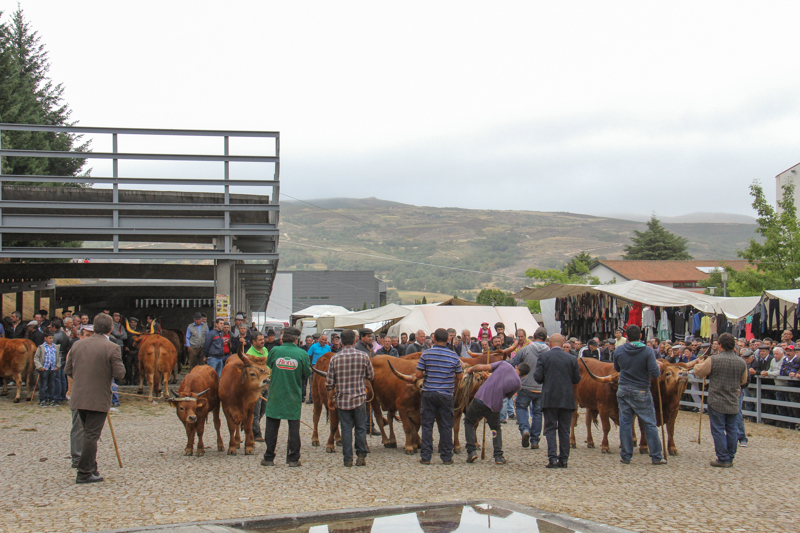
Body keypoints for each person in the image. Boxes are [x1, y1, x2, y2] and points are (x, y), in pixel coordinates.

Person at [64, 313, 125, 484]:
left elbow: (68, 370)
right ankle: (84, 472)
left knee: (87, 433)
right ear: (111, 329)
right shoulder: (112, 347)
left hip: (78, 396)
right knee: (91, 435)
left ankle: (92, 467)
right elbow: (120, 373)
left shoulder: (77, 345)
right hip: (97, 398)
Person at [693, 333, 748, 467]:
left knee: (718, 429)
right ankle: (730, 455)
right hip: (733, 399)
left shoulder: (714, 360)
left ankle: (723, 457)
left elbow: (699, 372)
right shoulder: (741, 362)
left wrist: (698, 364)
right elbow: (744, 380)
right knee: (732, 429)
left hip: (717, 399)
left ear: (721, 345)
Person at [614, 325, 667, 466]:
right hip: (641, 390)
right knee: (649, 423)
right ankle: (656, 456)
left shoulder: (619, 350)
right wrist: (658, 367)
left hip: (624, 389)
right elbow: (655, 374)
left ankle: (626, 456)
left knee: (625, 423)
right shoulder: (647, 351)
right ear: (641, 336)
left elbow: (616, 368)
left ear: (627, 337)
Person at [261, 327, 311, 467]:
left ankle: (269, 457)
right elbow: (306, 373)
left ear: (283, 338)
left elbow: (269, 364)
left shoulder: (275, 351)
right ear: (296, 339)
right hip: (293, 395)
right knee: (294, 428)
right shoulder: (302, 353)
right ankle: (293, 458)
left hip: (276, 394)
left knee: (271, 428)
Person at [463, 360, 528, 464]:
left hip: (480, 399)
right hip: (494, 405)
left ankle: (471, 451)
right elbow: (505, 395)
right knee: (495, 429)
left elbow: (482, 367)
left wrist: (471, 369)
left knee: (469, 422)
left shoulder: (504, 364)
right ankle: (498, 455)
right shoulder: (518, 384)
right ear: (524, 375)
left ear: (516, 367)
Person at [326, 329, 375, 467]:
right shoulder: (363, 356)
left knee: (346, 429)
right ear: (355, 341)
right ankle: (361, 456)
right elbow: (371, 376)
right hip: (359, 398)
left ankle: (347, 459)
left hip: (342, 399)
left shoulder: (335, 358)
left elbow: (329, 383)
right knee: (360, 428)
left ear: (341, 342)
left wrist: (330, 399)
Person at [415, 328, 463, 465]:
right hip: (446, 394)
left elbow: (418, 374)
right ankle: (446, 456)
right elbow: (459, 376)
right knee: (446, 426)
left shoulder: (426, 354)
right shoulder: (453, 356)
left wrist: (428, 373)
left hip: (429, 393)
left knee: (427, 425)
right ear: (448, 339)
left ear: (434, 339)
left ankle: (426, 456)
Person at [533, 334, 581, 468]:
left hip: (550, 398)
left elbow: (538, 377)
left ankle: (552, 458)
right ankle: (564, 459)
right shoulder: (572, 358)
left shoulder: (544, 357)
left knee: (550, 428)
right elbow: (577, 379)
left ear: (550, 343)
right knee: (565, 430)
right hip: (566, 398)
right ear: (563, 343)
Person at [511, 326, 548, 449]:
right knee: (538, 413)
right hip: (541, 387)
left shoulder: (525, 350)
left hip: (525, 386)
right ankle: (535, 440)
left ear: (534, 335)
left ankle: (525, 429)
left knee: (521, 408)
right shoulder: (550, 352)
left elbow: (513, 362)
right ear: (546, 337)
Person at [247, 332, 270, 443]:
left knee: (263, 408)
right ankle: (256, 433)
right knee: (256, 409)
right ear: (253, 342)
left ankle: (252, 426)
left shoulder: (265, 350)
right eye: (260, 340)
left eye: (263, 339)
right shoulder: (250, 354)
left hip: (266, 383)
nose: (263, 341)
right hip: (256, 385)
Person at [34, 332, 61, 406]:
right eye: (49, 338)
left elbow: (58, 357)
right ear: (45, 338)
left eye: (52, 338)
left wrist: (58, 366)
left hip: (52, 368)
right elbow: (36, 358)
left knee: (52, 385)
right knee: (43, 385)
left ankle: (51, 399)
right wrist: (40, 367)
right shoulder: (41, 347)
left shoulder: (55, 347)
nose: (51, 340)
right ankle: (42, 399)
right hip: (44, 368)